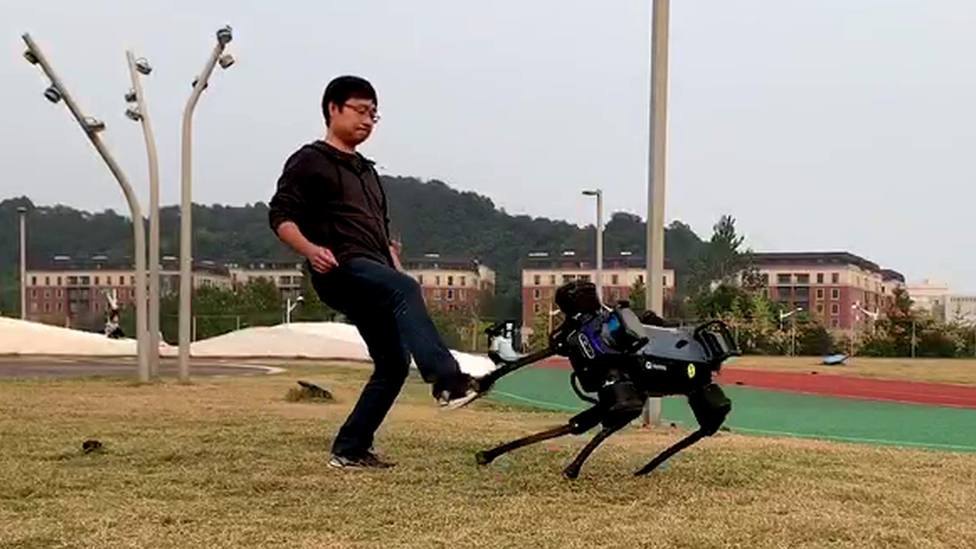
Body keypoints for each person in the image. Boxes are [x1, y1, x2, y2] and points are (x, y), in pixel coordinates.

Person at [268, 75, 487, 470]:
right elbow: (280, 216)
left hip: (374, 272)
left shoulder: (368, 173)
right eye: (360, 110)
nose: (368, 120)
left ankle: (349, 449)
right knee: (402, 291)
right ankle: (447, 381)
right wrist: (311, 250)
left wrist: (398, 269)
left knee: (393, 364)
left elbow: (382, 236)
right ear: (333, 109)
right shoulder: (309, 160)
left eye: (374, 114)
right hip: (339, 268)